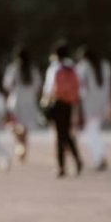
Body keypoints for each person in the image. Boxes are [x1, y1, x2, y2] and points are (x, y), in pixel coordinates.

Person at [42, 40, 83, 178]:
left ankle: (61, 166)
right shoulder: (72, 67)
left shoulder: (55, 68)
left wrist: (45, 103)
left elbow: (49, 89)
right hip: (69, 103)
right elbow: (78, 87)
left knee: (60, 135)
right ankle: (77, 159)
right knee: (66, 133)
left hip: (57, 102)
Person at [76, 47, 111, 171]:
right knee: (93, 131)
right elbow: (110, 89)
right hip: (102, 104)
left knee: (91, 133)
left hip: (89, 105)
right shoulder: (105, 66)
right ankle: (99, 157)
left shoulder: (83, 67)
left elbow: (80, 89)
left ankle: (99, 158)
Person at [3, 47, 42, 163]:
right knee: (25, 128)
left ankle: (20, 146)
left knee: (14, 126)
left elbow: (7, 84)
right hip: (29, 100)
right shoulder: (32, 69)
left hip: (16, 100)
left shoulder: (13, 68)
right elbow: (37, 85)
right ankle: (23, 147)